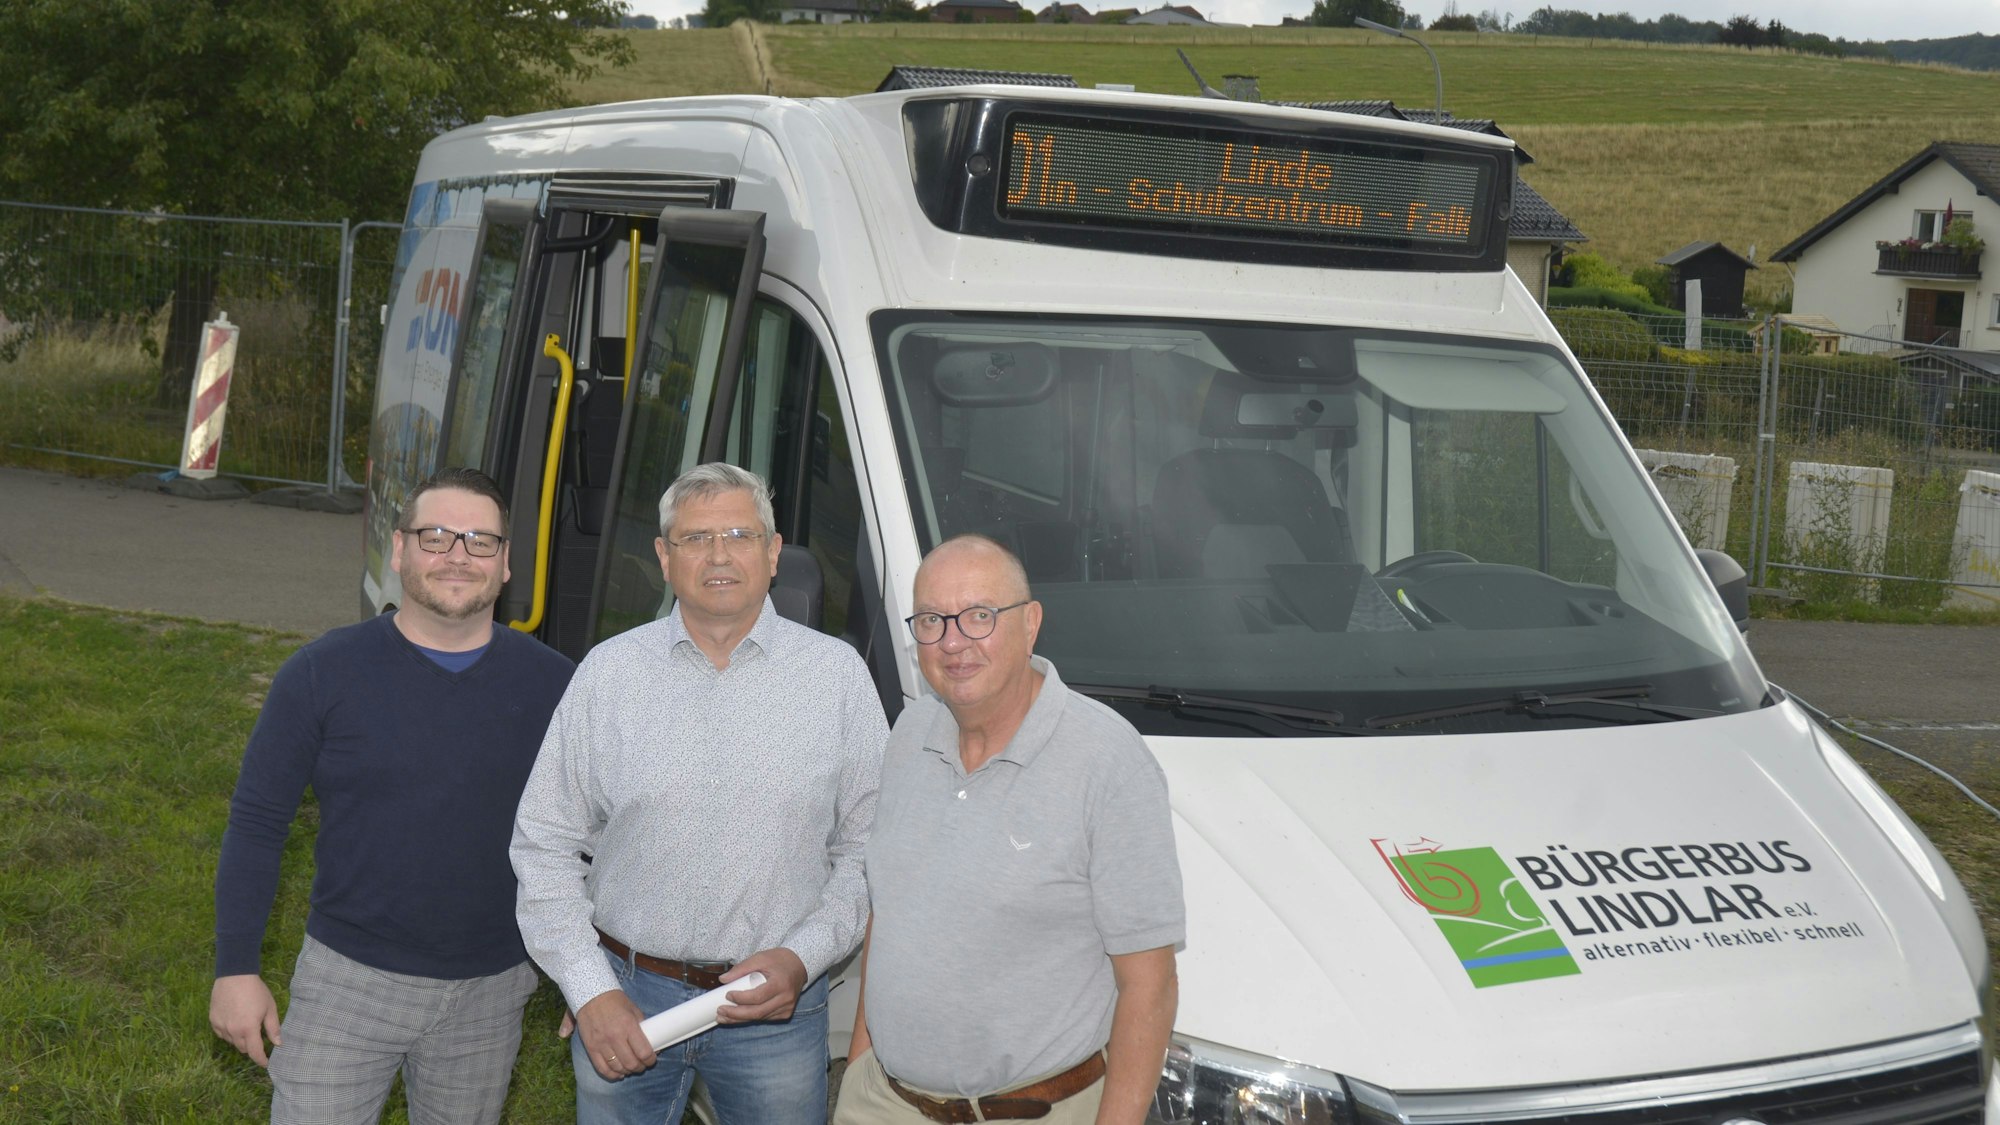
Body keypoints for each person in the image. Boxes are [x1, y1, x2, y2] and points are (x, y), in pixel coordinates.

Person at [511, 461, 887, 1125]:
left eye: (740, 534)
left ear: (773, 553)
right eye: (695, 538)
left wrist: (803, 960)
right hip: (625, 997)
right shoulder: (609, 674)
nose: (719, 554)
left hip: (776, 1009)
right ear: (663, 555)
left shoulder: (837, 679)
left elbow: (871, 848)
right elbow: (543, 844)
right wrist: (589, 988)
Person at [209, 466, 576, 1124]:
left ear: (507, 564)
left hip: (493, 991)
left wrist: (588, 974)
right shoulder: (321, 673)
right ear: (399, 549)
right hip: (347, 983)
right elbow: (258, 825)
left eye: (479, 540)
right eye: (436, 537)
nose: (457, 556)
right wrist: (235, 968)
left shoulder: (559, 688)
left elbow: (594, 835)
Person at [836, 535, 1184, 1125]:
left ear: (1031, 624)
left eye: (979, 617)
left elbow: (1150, 986)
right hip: (884, 1104)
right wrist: (860, 1066)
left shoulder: (1108, 761)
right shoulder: (908, 735)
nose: (953, 643)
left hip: (1033, 1112)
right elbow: (889, 912)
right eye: (931, 620)